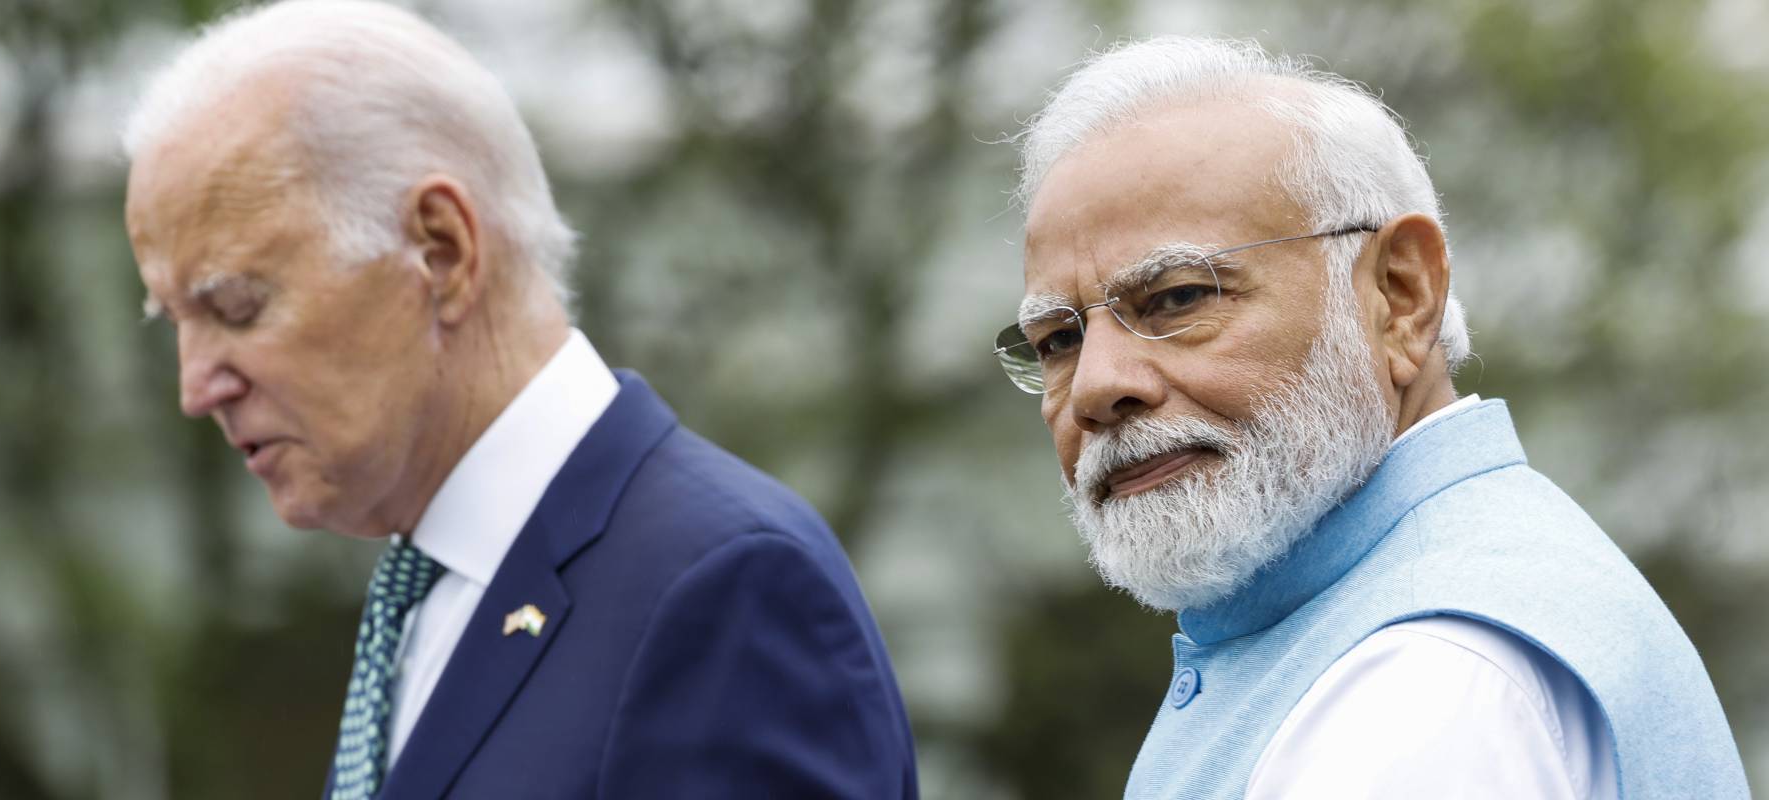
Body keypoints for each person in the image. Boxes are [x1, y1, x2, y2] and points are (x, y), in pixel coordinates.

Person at [121, 1, 916, 797]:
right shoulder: (427, 594)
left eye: (236, 307)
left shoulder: (723, 590)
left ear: (441, 251)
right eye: (176, 323)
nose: (197, 387)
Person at [994, 36, 1749, 798]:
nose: (1095, 386)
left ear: (1401, 295)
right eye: (1058, 340)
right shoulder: (1426, 608)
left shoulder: (1424, 683)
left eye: (1179, 297)